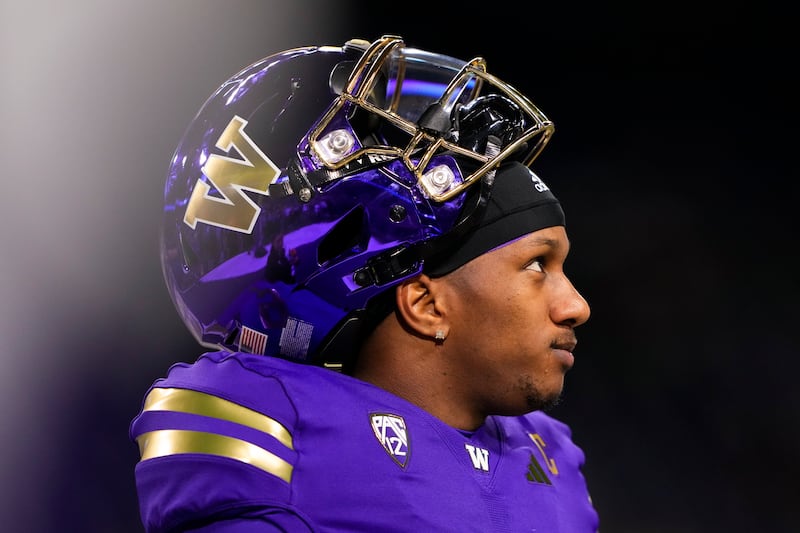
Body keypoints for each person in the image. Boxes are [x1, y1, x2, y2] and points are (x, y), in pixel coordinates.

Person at [130, 35, 598, 532]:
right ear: (424, 303)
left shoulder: (550, 454)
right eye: (535, 266)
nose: (576, 306)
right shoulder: (274, 427)